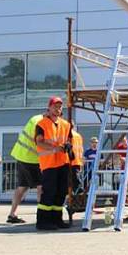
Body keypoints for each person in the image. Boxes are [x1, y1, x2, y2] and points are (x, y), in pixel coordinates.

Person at [34, 96, 72, 230]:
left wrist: (67, 145)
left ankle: (57, 220)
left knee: (61, 192)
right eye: (55, 106)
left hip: (63, 162)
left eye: (60, 106)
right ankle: (43, 221)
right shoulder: (42, 124)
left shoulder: (65, 124)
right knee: (49, 192)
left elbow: (68, 140)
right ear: (49, 108)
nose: (58, 108)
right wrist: (55, 148)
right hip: (49, 164)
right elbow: (39, 141)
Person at [7, 113, 44, 224]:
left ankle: (12, 213)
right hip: (33, 158)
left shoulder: (35, 118)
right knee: (41, 186)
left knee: (22, 186)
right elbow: (41, 141)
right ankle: (41, 214)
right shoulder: (42, 122)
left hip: (21, 155)